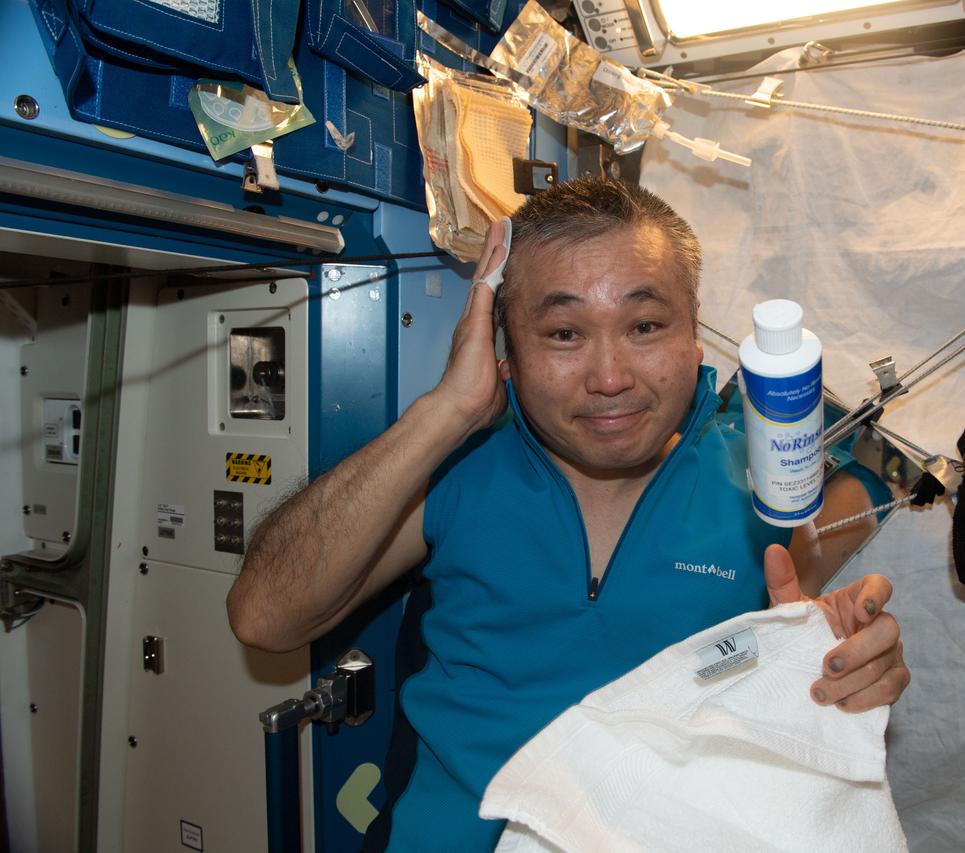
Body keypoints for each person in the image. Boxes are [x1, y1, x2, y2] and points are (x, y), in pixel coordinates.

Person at [227, 177, 910, 850]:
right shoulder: (456, 466)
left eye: (645, 326)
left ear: (693, 330)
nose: (610, 378)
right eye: (563, 333)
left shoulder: (766, 481)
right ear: (508, 347)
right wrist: (447, 410)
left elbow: (806, 654)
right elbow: (264, 616)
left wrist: (842, 665)